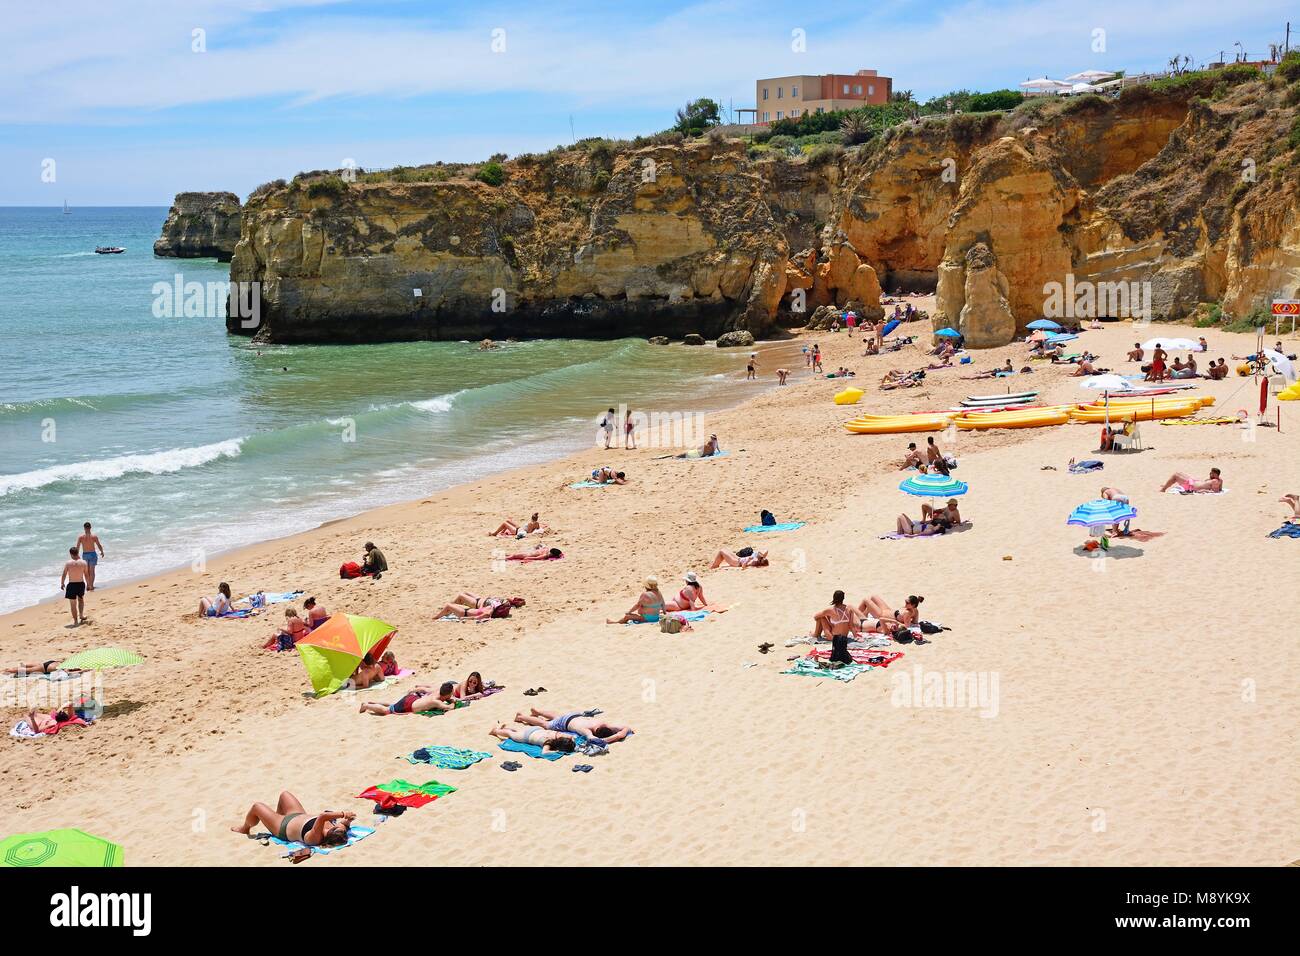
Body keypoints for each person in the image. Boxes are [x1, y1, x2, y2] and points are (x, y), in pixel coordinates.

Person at [231, 792, 353, 847]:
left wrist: (342, 813)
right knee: (285, 795)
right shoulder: (339, 832)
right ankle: (276, 816)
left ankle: (245, 828)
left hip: (282, 826)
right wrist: (349, 819)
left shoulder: (315, 839)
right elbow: (345, 825)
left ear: (330, 835)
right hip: (297, 814)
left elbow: (322, 817)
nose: (334, 826)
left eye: (333, 828)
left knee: (257, 807)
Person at [516, 708, 634, 743]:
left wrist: (620, 733)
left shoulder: (603, 724)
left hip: (573, 716)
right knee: (546, 724)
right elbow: (596, 740)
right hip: (565, 723)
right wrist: (617, 736)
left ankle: (537, 712)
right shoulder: (587, 730)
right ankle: (520, 717)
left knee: (557, 715)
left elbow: (626, 727)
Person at [360, 681, 458, 715]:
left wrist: (412, 691)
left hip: (412, 698)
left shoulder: (437, 691)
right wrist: (453, 701)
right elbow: (450, 707)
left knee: (393, 704)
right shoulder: (436, 701)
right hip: (409, 706)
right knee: (388, 711)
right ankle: (366, 705)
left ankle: (373, 702)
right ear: (448, 694)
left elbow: (423, 689)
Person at [489, 721, 576, 753]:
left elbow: (571, 737)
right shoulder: (548, 743)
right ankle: (495, 731)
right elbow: (544, 752)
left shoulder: (557, 736)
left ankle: (502, 727)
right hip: (527, 736)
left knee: (518, 730)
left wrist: (571, 739)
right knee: (510, 734)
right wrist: (556, 751)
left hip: (536, 729)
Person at [434, 593, 526, 620]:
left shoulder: (502, 603)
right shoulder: (503, 603)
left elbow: (484, 614)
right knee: (462, 595)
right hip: (479, 602)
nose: (512, 596)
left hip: (478, 604)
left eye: (513, 597)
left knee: (460, 597)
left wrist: (479, 609)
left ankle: (439, 615)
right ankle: (448, 610)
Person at [60, 547, 89, 626]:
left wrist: (62, 583)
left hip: (72, 585)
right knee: (81, 600)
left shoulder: (68, 563)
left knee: (73, 604)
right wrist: (88, 584)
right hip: (80, 584)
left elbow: (64, 574)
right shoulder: (83, 562)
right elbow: (86, 574)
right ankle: (81, 615)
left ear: (71, 554)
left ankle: (76, 621)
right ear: (78, 553)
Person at [76, 523, 105, 591]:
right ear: (90, 527)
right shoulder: (94, 536)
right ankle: (91, 585)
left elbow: (77, 547)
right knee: (92, 571)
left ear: (84, 528)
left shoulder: (81, 537)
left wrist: (76, 556)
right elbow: (99, 545)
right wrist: (102, 552)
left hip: (85, 555)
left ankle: (88, 585)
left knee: (87, 571)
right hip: (92, 554)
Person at [3, 659, 84, 677]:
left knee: (27, 666)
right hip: (45, 668)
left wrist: (83, 669)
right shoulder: (66, 669)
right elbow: (69, 673)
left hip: (50, 662)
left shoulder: (67, 663)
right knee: (26, 670)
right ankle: (9, 670)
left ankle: (10, 669)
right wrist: (84, 670)